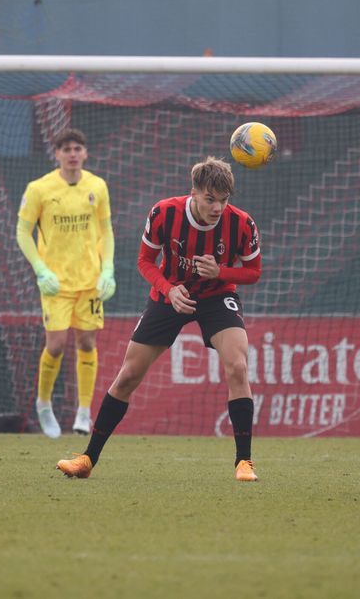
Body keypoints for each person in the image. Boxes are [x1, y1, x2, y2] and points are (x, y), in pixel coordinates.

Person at [56, 156, 262, 481]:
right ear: (194, 192)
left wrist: (221, 271)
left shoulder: (242, 223)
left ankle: (244, 463)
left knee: (238, 365)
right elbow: (144, 261)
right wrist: (169, 290)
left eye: (223, 201)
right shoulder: (164, 212)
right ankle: (87, 459)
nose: (217, 207)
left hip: (217, 296)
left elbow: (253, 272)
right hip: (169, 295)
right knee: (127, 376)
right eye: (210, 199)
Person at [16, 129, 115, 438]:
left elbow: (106, 231)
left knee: (87, 342)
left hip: (89, 282)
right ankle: (44, 404)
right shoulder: (39, 188)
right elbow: (22, 232)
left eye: (78, 148)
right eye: (66, 149)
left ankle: (84, 412)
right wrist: (40, 270)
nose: (72, 154)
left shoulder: (97, 186)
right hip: (56, 284)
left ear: (85, 153)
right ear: (57, 154)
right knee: (56, 346)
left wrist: (107, 268)